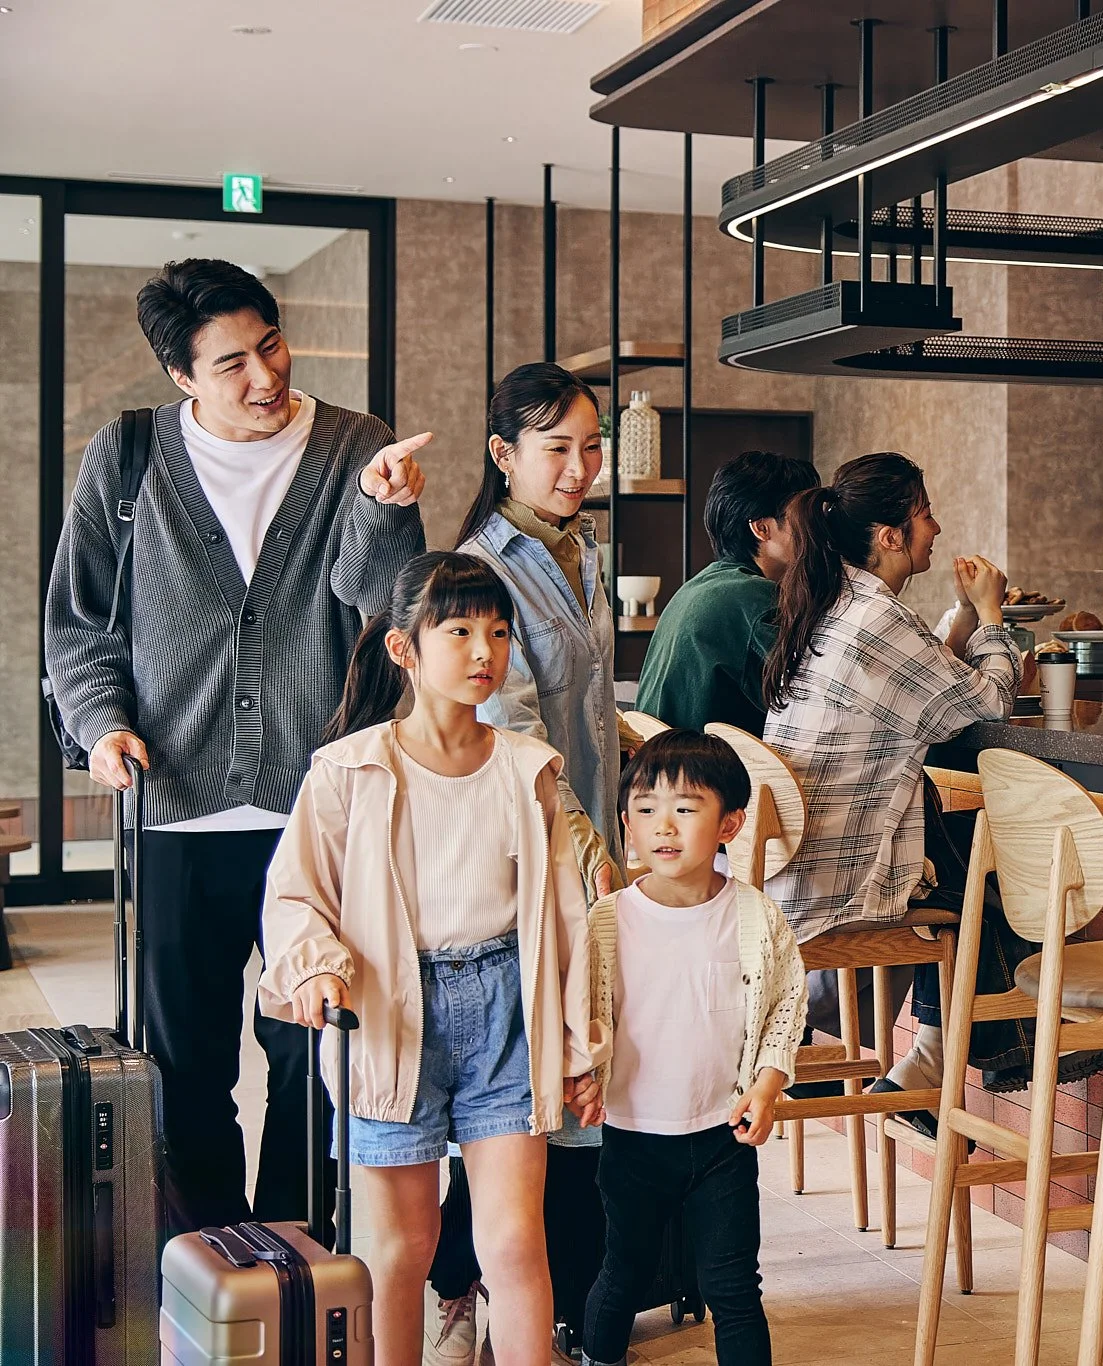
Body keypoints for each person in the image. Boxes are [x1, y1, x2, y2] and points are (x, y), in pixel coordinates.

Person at [43, 257, 429, 1235]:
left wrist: (386, 512)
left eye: (270, 344)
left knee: (319, 1050)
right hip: (175, 806)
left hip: (318, 808)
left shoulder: (354, 447)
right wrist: (102, 722)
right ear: (180, 376)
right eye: (231, 364)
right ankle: (209, 1260)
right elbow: (80, 622)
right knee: (184, 1061)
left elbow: (383, 606)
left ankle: (297, 1254)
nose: (265, 376)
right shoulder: (125, 458)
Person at [257, 551, 604, 1366]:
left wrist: (583, 1045)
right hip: (388, 1013)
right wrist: (312, 965)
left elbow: (568, 916)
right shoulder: (348, 769)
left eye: (499, 631)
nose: (486, 652)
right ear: (404, 649)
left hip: (507, 1012)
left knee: (515, 1244)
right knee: (400, 1249)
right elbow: (295, 893)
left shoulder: (529, 769)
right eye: (461, 632)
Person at [435, 361, 622, 1360]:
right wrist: (588, 851)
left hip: (588, 839)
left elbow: (588, 707)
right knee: (532, 1085)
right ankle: (473, 1295)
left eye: (592, 447)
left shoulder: (580, 548)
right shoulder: (485, 567)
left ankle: (548, 1306)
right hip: (531, 857)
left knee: (578, 1076)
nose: (581, 466)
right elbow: (507, 728)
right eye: (559, 447)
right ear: (504, 454)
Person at [761, 451, 1020, 1106]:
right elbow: (987, 703)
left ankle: (932, 1065)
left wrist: (962, 616)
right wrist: (993, 616)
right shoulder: (876, 619)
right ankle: (968, 1061)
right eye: (926, 516)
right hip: (840, 887)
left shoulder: (836, 604)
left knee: (967, 853)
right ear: (890, 536)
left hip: (795, 873)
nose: (936, 530)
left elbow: (923, 675)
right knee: (1003, 863)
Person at [580, 728, 806, 1366]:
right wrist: (584, 1075)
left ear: (730, 823)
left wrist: (767, 1085)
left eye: (686, 808)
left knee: (734, 1287)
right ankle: (601, 1357)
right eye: (647, 810)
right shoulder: (608, 921)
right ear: (627, 824)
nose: (665, 827)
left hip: (721, 1140)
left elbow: (785, 1006)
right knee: (623, 1272)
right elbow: (587, 1019)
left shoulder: (757, 917)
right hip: (631, 1136)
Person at [635, 449, 820, 735]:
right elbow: (815, 706)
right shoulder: (755, 599)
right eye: (806, 516)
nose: (816, 530)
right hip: (700, 774)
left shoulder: (701, 585)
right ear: (762, 528)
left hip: (661, 771)